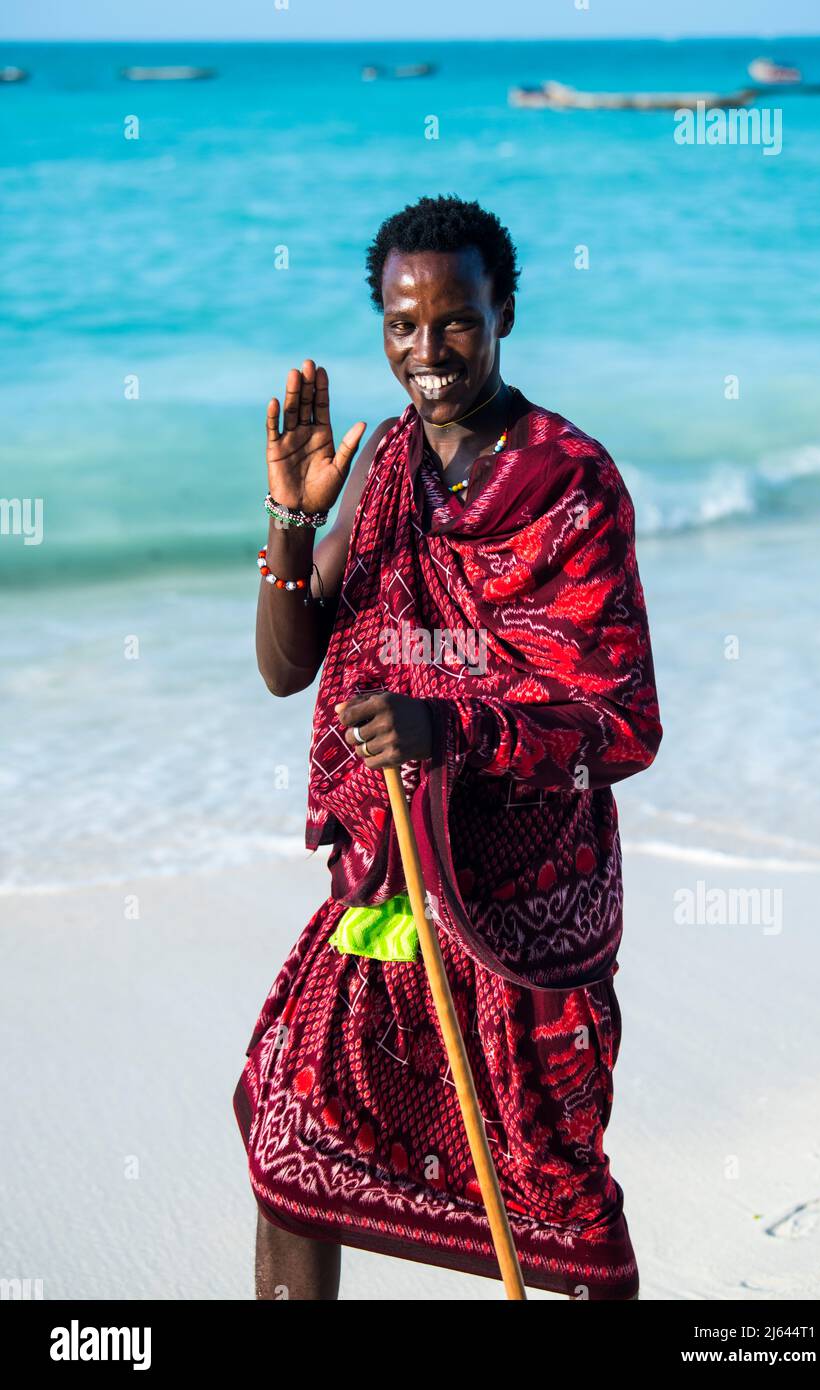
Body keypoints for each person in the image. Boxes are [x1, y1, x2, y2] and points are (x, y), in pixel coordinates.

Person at [233, 195, 662, 1300]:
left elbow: (620, 724)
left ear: (502, 310)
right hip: (389, 878)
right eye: (401, 325)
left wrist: (449, 728)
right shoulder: (380, 466)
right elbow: (287, 667)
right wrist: (289, 514)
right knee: (291, 1146)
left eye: (455, 322)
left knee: (559, 1215)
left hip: (525, 907)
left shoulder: (566, 480)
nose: (426, 354)